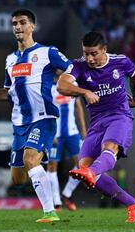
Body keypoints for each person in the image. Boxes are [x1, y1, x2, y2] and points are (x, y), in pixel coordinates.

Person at [0, 9, 72, 223]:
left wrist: (83, 88)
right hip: (19, 123)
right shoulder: (10, 59)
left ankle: (50, 212)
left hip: (44, 117)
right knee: (18, 178)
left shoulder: (48, 53)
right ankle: (41, 159)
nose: (18, 27)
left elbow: (73, 70)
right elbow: (5, 93)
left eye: (22, 23)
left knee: (31, 159)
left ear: (32, 27)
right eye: (14, 24)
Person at [57, 31, 135, 223]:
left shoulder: (121, 62)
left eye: (93, 53)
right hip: (97, 123)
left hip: (119, 117)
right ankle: (134, 204)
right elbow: (62, 86)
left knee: (109, 148)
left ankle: (92, 171)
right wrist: (84, 91)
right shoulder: (78, 66)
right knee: (85, 168)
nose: (89, 58)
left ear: (104, 50)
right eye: (86, 53)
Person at [48, 75, 87, 211]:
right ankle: (57, 202)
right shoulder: (48, 86)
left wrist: (83, 131)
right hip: (55, 134)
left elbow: (78, 107)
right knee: (52, 166)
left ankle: (67, 194)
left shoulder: (73, 83)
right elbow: (45, 111)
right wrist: (49, 131)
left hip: (72, 132)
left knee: (83, 165)